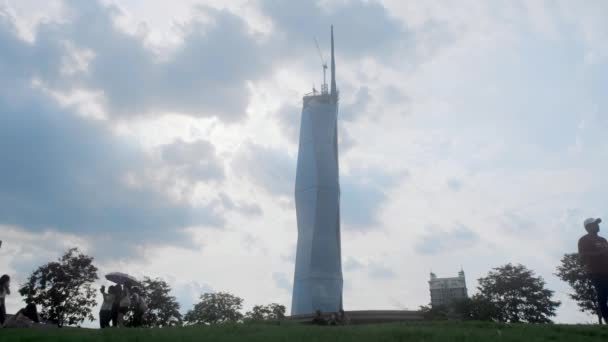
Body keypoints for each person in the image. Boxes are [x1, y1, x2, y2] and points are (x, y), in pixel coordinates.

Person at [578, 217, 608, 323]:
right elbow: (582, 256)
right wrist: (600, 253)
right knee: (603, 296)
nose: (598, 225)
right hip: (596, 272)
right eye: (595, 224)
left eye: (597, 224)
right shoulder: (584, 240)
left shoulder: (603, 240)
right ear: (588, 227)